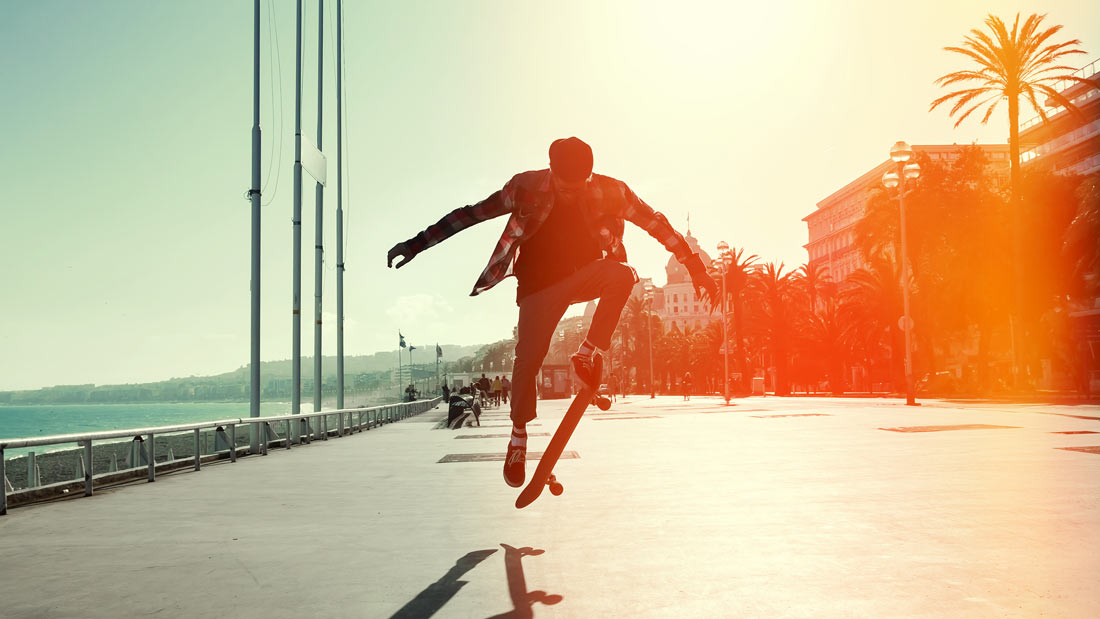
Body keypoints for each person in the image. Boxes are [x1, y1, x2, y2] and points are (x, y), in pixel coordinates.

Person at [387, 137, 717, 488]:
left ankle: (587, 352)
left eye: (580, 186)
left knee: (623, 275)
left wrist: (695, 267)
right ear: (552, 172)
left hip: (584, 277)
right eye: (564, 187)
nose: (573, 194)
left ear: (590, 175)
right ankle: (518, 438)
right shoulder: (525, 187)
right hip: (538, 288)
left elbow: (656, 223)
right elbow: (471, 214)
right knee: (527, 360)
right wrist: (416, 244)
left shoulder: (611, 192)